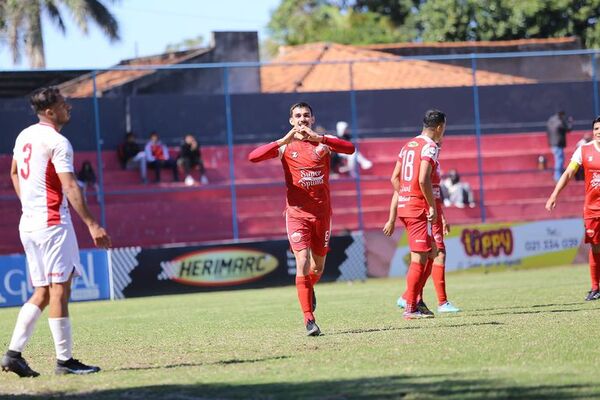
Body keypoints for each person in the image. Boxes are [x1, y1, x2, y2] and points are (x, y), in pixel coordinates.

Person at [2, 87, 111, 377]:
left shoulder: (24, 135)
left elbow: (13, 172)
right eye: (63, 104)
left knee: (42, 292)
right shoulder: (58, 141)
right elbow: (71, 186)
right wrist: (92, 224)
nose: (68, 108)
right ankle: (65, 361)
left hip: (29, 223)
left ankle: (12, 355)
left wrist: (28, 202)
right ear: (50, 111)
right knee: (59, 290)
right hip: (52, 223)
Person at [248, 102, 355, 336]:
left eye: (306, 115)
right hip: (297, 215)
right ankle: (309, 320)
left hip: (322, 215)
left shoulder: (322, 144)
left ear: (312, 119)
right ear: (291, 121)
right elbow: (253, 157)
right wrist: (283, 141)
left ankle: (308, 288)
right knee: (303, 261)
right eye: (298, 116)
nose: (302, 119)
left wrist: (321, 138)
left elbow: (350, 148)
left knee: (317, 267)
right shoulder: (286, 148)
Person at [382, 109, 446, 320]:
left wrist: (405, 196)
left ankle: (415, 299)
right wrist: (431, 206)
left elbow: (394, 178)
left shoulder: (408, 145)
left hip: (406, 206)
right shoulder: (430, 147)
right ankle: (410, 307)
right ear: (439, 127)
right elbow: (422, 179)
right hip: (417, 209)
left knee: (433, 253)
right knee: (420, 258)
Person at [388, 145, 460, 314]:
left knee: (432, 254)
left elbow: (435, 194)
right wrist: (391, 218)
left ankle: (410, 298)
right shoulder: (421, 165)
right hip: (424, 213)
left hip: (433, 213)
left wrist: (442, 217)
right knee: (435, 254)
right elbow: (400, 189)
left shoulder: (434, 163)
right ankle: (435, 302)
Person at [546, 116, 600, 301]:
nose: (598, 132)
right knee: (595, 247)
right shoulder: (583, 150)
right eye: (596, 129)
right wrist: (554, 194)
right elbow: (569, 172)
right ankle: (595, 287)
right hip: (592, 209)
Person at [546, 110, 573, 182]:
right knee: (559, 160)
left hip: (553, 144)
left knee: (558, 160)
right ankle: (557, 177)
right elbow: (568, 129)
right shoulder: (559, 122)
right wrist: (570, 122)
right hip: (558, 144)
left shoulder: (551, 121)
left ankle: (557, 176)